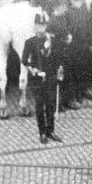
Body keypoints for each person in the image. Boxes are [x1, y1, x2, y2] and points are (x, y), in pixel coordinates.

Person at [22, 12, 63, 144]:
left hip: (50, 77)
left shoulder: (51, 39)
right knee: (40, 106)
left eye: (43, 25)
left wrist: (60, 69)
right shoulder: (30, 42)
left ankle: (50, 131)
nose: (41, 28)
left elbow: (57, 57)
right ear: (35, 26)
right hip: (37, 79)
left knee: (50, 105)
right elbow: (24, 60)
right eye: (39, 25)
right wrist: (32, 69)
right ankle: (42, 132)